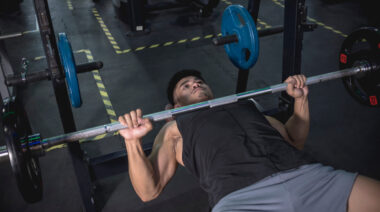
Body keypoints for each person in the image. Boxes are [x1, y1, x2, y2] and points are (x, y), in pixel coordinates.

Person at [118, 69, 380, 212]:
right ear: (175, 106)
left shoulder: (245, 106)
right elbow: (148, 191)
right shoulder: (176, 127)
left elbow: (293, 140)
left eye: (198, 81)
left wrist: (301, 100)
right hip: (242, 200)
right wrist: (132, 142)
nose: (195, 84)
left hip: (309, 177)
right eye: (185, 86)